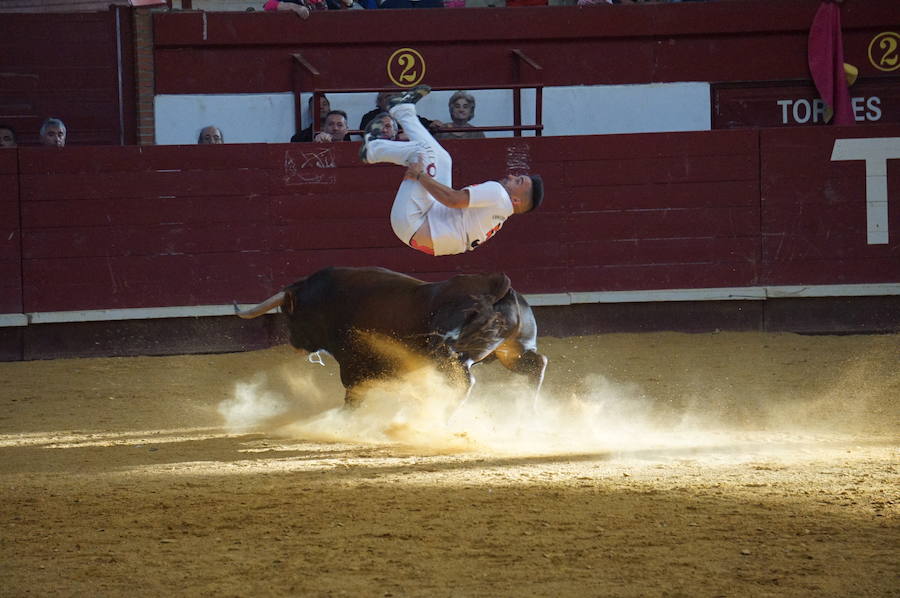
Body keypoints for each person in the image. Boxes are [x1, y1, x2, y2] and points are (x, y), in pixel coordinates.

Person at [359, 85, 544, 257]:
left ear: (517, 200)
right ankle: (403, 110)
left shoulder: (498, 194)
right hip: (425, 227)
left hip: (414, 222)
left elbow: (453, 199)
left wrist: (419, 176)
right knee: (443, 160)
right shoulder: (501, 213)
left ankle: (374, 149)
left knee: (423, 154)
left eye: (518, 181)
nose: (511, 176)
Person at [359, 91, 440, 141]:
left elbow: (425, 124)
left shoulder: (406, 115)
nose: (392, 99)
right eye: (388, 96)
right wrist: (397, 137)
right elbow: (367, 135)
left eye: (396, 96)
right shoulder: (370, 117)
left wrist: (433, 124)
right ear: (379, 102)